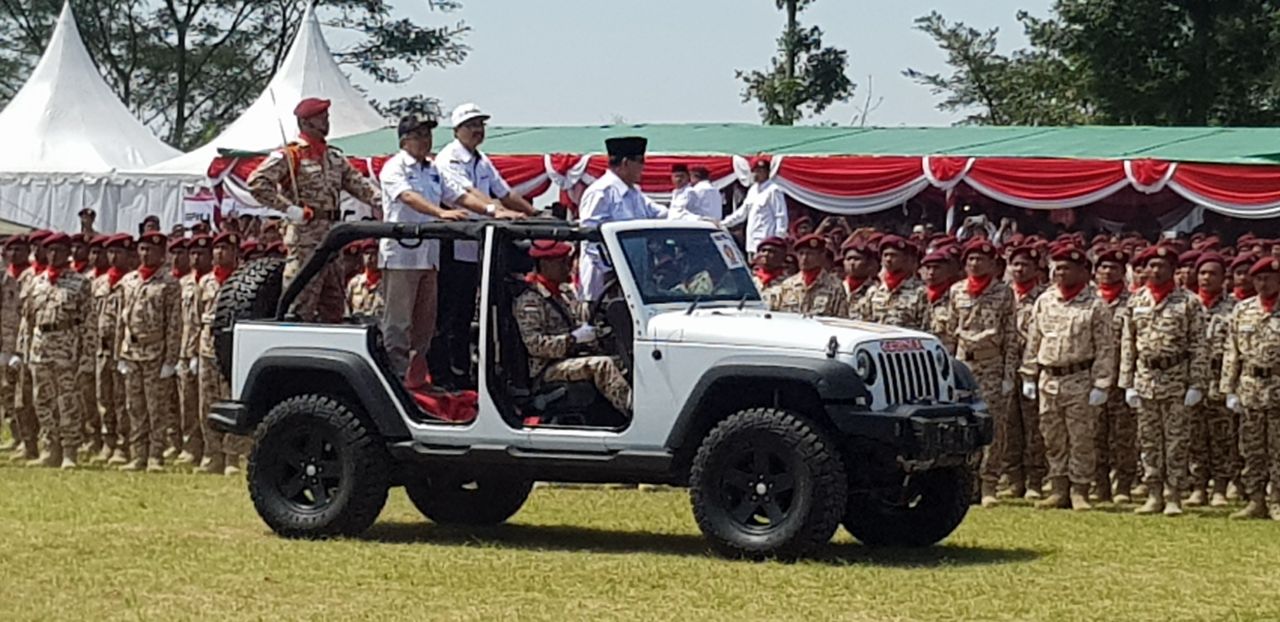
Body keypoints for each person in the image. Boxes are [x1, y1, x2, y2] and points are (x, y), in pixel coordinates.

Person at [378, 112, 503, 387]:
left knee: (425, 323)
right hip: (402, 255)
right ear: (404, 140)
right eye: (419, 135)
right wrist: (438, 213)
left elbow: (458, 195)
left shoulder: (432, 168)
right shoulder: (395, 166)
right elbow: (408, 197)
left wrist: (493, 210)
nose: (425, 141)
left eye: (428, 135)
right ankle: (396, 380)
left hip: (429, 256)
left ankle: (417, 377)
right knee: (398, 323)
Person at [246, 97, 382, 323]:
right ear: (305, 122)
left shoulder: (333, 157)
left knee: (334, 304)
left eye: (326, 117)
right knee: (301, 303)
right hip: (305, 240)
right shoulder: (291, 155)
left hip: (332, 239)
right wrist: (289, 209)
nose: (326, 121)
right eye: (321, 118)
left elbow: (361, 186)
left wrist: (385, 201)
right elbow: (257, 182)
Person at [433, 103, 534, 389]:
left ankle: (474, 373)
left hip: (480, 247)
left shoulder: (481, 159)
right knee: (453, 314)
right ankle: (451, 376)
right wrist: (495, 210)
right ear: (457, 130)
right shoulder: (449, 158)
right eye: (471, 125)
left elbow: (505, 192)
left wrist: (532, 213)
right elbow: (465, 194)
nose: (477, 130)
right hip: (454, 246)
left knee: (475, 312)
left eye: (480, 124)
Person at [1020, 245, 1115, 511]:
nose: (1060, 273)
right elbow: (1034, 340)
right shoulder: (1045, 301)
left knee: (1081, 438)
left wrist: (1101, 383)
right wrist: (1028, 375)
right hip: (1049, 378)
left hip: (1080, 378)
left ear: (1082, 271)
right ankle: (1058, 488)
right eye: (1057, 267)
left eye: (1066, 268)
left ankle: (1080, 490)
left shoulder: (1095, 304)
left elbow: (1105, 347)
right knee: (1052, 436)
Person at [1119, 245, 1210, 516]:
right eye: (1151, 266)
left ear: (1172, 269)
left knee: (1176, 441)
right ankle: (1153, 493)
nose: (1155, 271)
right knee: (1148, 440)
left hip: (1176, 379)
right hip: (1146, 378)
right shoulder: (1136, 301)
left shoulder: (1188, 301)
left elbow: (1199, 345)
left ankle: (1173, 495)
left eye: (1161, 266)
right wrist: (1128, 382)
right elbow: (1128, 343)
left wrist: (1197, 383)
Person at [943, 239, 1019, 508]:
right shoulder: (956, 292)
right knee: (963, 425)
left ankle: (989, 484)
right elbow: (951, 333)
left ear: (992, 264)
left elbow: (1011, 335)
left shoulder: (1003, 293)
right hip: (964, 365)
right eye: (971, 260)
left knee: (991, 425)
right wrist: (947, 371)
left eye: (981, 260)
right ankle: (967, 482)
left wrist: (1009, 374)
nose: (975, 264)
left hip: (991, 366)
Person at [514, 240, 630, 415]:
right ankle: (635, 412)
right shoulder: (531, 300)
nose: (568, 267)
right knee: (602, 365)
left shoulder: (565, 293)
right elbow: (535, 345)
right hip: (547, 368)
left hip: (574, 356)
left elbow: (582, 318)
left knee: (624, 360)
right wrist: (573, 339)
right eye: (561, 263)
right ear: (545, 264)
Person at [21, 233, 92, 468]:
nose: (54, 255)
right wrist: (24, 350)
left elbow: (88, 324)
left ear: (68, 253)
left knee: (67, 401)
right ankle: (50, 448)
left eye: (59, 251)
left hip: (66, 349)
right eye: (50, 250)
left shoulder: (80, 283)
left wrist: (86, 357)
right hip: (40, 348)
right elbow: (28, 320)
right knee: (43, 400)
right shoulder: (36, 282)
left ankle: (70, 450)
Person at [115, 232, 182, 473]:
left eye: (151, 250)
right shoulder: (129, 280)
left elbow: (175, 324)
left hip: (155, 352)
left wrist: (171, 360)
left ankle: (155, 455)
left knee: (157, 408)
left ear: (162, 253)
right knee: (135, 407)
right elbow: (120, 321)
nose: (145, 254)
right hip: (131, 351)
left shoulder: (169, 283)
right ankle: (137, 455)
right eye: (142, 249)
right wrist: (119, 354)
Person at [1220, 256, 1280, 520]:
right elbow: (1231, 351)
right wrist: (1229, 388)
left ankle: (1277, 500)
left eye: (1268, 278)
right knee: (1251, 448)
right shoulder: (1242, 310)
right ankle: (1256, 500)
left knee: (1278, 448)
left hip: (1277, 386)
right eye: (1258, 278)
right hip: (1250, 387)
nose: (1262, 283)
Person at [577, 136, 667, 302]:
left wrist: (703, 220)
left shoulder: (635, 194)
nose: (643, 166)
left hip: (630, 284)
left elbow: (663, 214)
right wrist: (611, 270)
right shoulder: (601, 192)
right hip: (603, 290)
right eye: (640, 161)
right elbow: (589, 237)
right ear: (626, 162)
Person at [1188, 252, 1236, 507]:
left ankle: (1219, 486)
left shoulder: (1234, 308)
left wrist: (1230, 386)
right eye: (1203, 273)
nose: (1206, 278)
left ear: (1223, 278)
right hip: (1192, 379)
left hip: (1220, 378)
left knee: (1221, 437)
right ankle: (1198, 486)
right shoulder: (1187, 304)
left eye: (1212, 273)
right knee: (1195, 435)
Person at [1091, 247, 1137, 504]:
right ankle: (1099, 484)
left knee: (1123, 436)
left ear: (1123, 273)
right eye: (1103, 267)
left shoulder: (1134, 302)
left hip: (1122, 379)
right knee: (1096, 434)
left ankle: (1123, 485)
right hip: (1094, 379)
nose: (1108, 272)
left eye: (1114, 268)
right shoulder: (1088, 300)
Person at [1002, 244, 1048, 500]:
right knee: (1010, 427)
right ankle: (1013, 478)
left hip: (1035, 369)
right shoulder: (1004, 295)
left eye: (1025, 265)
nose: (1019, 270)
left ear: (1035, 269)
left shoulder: (1044, 297)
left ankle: (1035, 480)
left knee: (1034, 428)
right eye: (1015, 264)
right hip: (1006, 368)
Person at [196, 232, 242, 475]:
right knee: (207, 403)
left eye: (225, 248)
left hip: (232, 349)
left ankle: (231, 457)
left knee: (230, 401)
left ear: (235, 253)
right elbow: (195, 317)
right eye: (217, 248)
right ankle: (211, 453)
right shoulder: (205, 283)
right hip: (206, 347)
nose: (219, 253)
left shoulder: (241, 280)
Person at [94, 234, 134, 465]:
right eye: (110, 252)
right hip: (102, 350)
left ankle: (123, 444)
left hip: (124, 352)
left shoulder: (130, 282)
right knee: (103, 398)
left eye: (118, 253)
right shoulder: (100, 283)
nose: (113, 256)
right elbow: (91, 318)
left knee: (123, 400)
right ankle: (107, 441)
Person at [1, 235, 37, 461]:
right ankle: (15, 434)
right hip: (3, 341)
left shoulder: (33, 277)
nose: (14, 254)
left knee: (24, 395)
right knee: (6, 392)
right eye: (9, 249)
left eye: (19, 249)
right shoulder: (3, 277)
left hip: (24, 343)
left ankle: (30, 439)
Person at [176, 234, 212, 465]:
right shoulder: (183, 284)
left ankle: (211, 451)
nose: (195, 258)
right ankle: (190, 447)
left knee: (207, 404)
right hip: (184, 350)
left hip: (206, 352)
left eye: (200, 253)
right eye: (193, 254)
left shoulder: (211, 282)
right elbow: (177, 321)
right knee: (187, 403)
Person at [856, 235, 928, 330]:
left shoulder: (921, 292)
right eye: (885, 255)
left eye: (894, 255)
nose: (888, 259)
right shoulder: (874, 291)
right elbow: (864, 323)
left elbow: (925, 327)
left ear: (905, 259)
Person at [722, 158, 788, 257]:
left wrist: (778, 240)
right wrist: (723, 223)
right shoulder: (753, 190)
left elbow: (781, 216)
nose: (756, 174)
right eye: (754, 171)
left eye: (760, 171)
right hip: (751, 242)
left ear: (767, 172)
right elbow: (742, 213)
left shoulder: (773, 190)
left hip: (766, 241)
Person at [773, 234, 848, 317]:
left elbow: (841, 320)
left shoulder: (835, 286)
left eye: (810, 254)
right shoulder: (787, 285)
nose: (804, 258)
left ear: (822, 256)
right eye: (801, 254)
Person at [921, 249, 958, 354]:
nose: (931, 273)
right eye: (928, 268)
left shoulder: (956, 297)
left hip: (945, 354)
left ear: (948, 271)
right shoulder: (918, 294)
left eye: (937, 268)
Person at [346, 240, 385, 321]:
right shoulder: (354, 283)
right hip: (357, 329)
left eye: (374, 254)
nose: (369, 257)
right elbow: (347, 312)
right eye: (366, 253)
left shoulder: (388, 285)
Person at [841, 237, 879, 319]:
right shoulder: (838, 287)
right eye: (848, 259)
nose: (852, 263)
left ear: (869, 264)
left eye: (857, 259)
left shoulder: (876, 290)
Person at [751, 236, 788, 309]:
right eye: (763, 250)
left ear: (782, 256)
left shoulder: (789, 283)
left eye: (772, 251)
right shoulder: (748, 280)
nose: (766, 254)